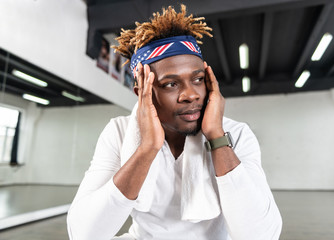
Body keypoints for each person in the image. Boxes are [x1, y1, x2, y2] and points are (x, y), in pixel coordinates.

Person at [67, 5, 282, 240]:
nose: (191, 94)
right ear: (142, 91)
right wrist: (147, 149)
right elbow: (84, 234)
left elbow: (261, 235)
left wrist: (217, 137)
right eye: (171, 84)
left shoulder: (235, 134)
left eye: (198, 79)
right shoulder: (119, 131)